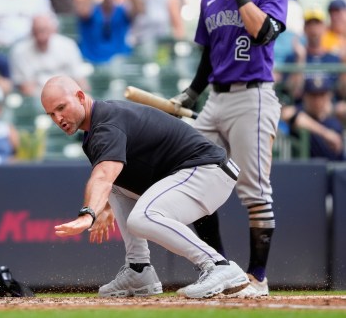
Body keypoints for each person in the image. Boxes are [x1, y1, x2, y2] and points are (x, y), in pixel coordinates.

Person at [40, 75, 249, 299]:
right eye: (51, 114)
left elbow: (102, 177)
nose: (58, 118)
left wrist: (88, 213)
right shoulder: (100, 124)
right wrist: (108, 207)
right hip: (193, 174)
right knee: (117, 190)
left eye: (61, 108)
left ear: (80, 96)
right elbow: (115, 177)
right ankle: (138, 270)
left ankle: (218, 265)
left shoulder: (106, 124)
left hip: (207, 172)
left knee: (142, 217)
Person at [170, 0, 288, 297]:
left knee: (254, 190)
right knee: (193, 179)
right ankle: (222, 269)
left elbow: (264, 33)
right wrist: (191, 93)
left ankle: (257, 278)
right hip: (216, 99)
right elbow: (211, 53)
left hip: (252, 96)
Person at [9, 13, 90, 98]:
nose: (41, 35)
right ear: (32, 31)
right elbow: (26, 87)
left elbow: (80, 79)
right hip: (38, 99)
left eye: (44, 30)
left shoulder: (68, 46)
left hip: (69, 96)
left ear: (53, 29)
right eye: (38, 30)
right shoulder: (20, 51)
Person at [74, 0, 140, 65]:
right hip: (91, 61)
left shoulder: (121, 11)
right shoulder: (93, 10)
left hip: (117, 63)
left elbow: (139, 9)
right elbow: (82, 11)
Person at [282, 76, 344, 161]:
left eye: (322, 95)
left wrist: (334, 109)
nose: (317, 101)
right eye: (313, 95)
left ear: (329, 96)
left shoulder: (334, 118)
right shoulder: (300, 112)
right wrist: (325, 134)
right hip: (305, 170)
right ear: (305, 96)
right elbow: (287, 114)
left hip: (335, 170)